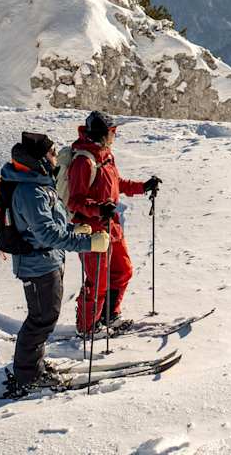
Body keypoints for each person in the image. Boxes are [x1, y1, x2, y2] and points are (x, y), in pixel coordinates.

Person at [3, 131, 110, 393]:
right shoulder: (31, 191)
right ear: (40, 157)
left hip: (45, 261)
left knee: (44, 316)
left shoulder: (38, 183)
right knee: (41, 319)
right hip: (37, 265)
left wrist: (76, 231)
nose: (56, 157)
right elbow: (47, 234)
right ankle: (28, 376)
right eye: (52, 153)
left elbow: (53, 226)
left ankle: (32, 367)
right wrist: (88, 243)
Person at [65, 111, 161, 335]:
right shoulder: (83, 161)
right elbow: (75, 201)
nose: (115, 136)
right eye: (112, 132)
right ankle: (87, 327)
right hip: (93, 231)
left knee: (123, 271)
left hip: (112, 226)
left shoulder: (105, 155)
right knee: (97, 281)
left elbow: (117, 184)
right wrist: (98, 208)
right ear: (102, 134)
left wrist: (143, 186)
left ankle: (109, 315)